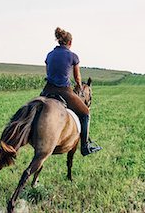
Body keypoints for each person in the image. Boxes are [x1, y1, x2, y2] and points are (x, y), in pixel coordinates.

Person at [41, 27, 101, 156]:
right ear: (70, 43)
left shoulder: (49, 55)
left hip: (46, 90)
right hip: (64, 91)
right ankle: (85, 146)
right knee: (85, 113)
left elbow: (48, 72)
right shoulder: (73, 56)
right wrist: (79, 86)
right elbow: (77, 77)